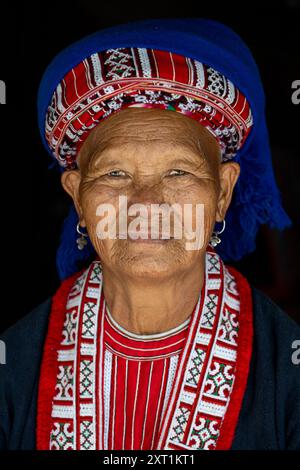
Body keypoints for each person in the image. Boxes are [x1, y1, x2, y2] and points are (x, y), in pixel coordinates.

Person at [0, 18, 299, 451]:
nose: (145, 203)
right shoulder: (13, 364)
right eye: (115, 173)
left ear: (222, 192)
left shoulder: (285, 368)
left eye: (178, 172)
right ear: (77, 197)